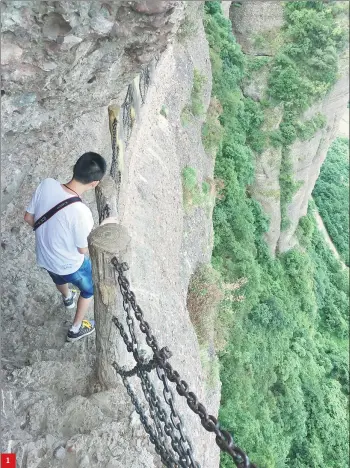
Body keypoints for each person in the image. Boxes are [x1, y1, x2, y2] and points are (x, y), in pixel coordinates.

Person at [24, 152, 107, 342]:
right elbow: (82, 250)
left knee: (58, 277)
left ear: (75, 167)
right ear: (94, 183)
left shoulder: (47, 184)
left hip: (44, 257)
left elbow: (28, 218)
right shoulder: (82, 213)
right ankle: (75, 329)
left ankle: (68, 298)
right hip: (70, 265)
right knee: (89, 289)